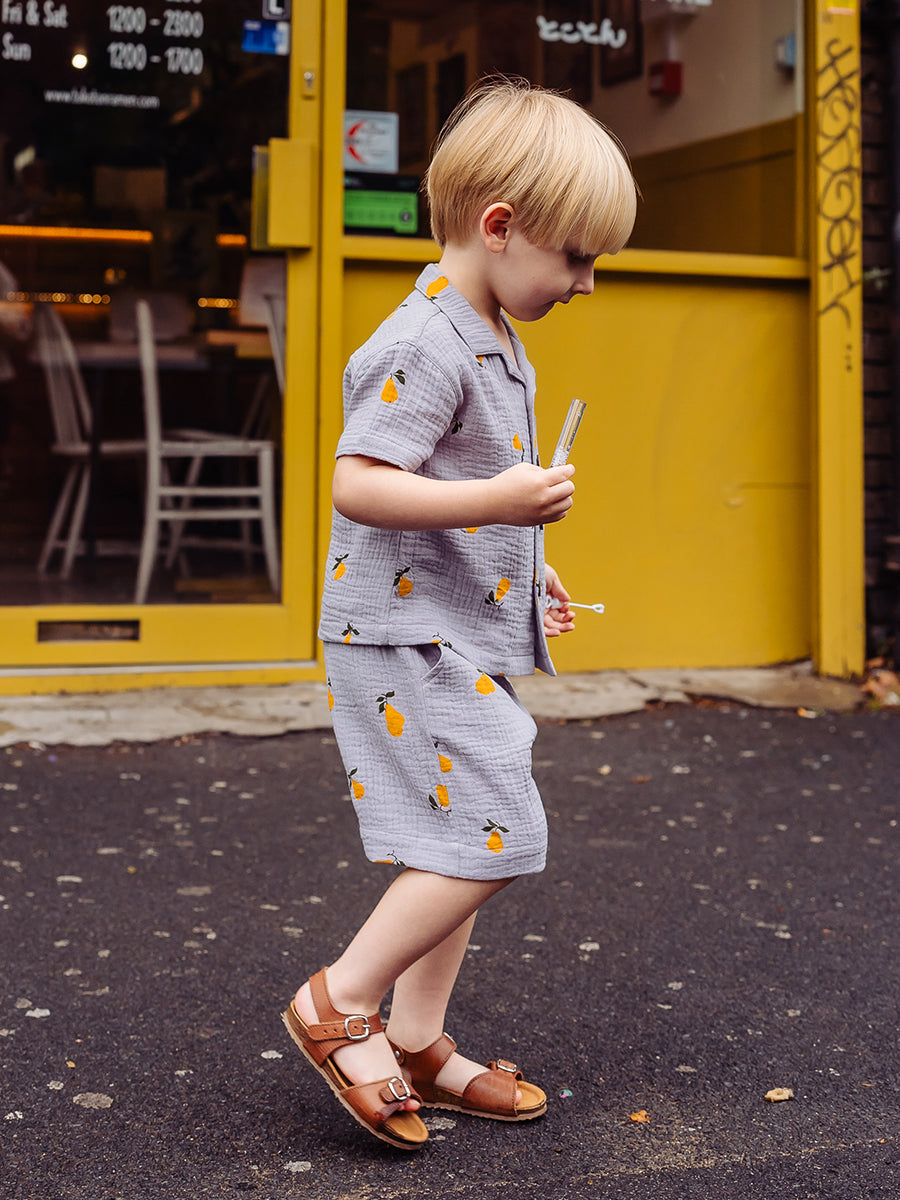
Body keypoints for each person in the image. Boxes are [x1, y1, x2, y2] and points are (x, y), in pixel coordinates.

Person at [282, 77, 637, 1151]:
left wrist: (531, 565)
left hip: (441, 629)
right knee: (498, 833)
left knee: (457, 835)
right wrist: (499, 502)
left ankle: (418, 1042)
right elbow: (359, 482)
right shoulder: (424, 342)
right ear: (500, 225)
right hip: (400, 637)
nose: (585, 283)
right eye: (576, 257)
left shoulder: (489, 332)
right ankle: (339, 1001)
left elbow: (462, 488)